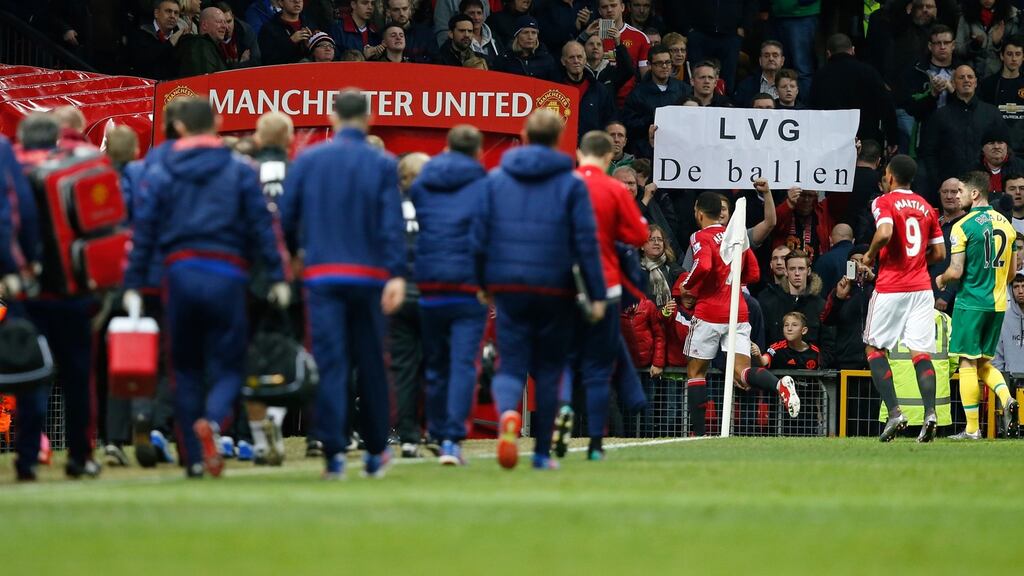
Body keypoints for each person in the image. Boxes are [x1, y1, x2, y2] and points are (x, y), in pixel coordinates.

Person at [122, 98, 289, 478]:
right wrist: (276, 276)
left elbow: (144, 230)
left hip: (178, 275)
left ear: (179, 128)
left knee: (184, 369)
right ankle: (213, 423)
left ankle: (194, 458)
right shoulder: (241, 170)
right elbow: (263, 228)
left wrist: (133, 282)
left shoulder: (162, 171)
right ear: (217, 123)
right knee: (230, 365)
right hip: (227, 274)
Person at [278, 91, 405, 479]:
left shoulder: (309, 159)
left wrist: (297, 252)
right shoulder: (383, 163)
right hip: (368, 276)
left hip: (322, 276)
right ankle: (376, 451)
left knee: (330, 364)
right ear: (367, 119)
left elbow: (286, 214)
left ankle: (333, 451)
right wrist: (396, 272)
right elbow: (391, 222)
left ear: (333, 117)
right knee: (371, 363)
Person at [475, 109, 606, 471]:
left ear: (524, 135)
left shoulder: (497, 180)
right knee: (550, 369)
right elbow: (586, 242)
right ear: (558, 140)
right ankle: (542, 454)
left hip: (508, 285)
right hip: (555, 287)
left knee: (510, 362)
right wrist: (595, 294)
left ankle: (506, 417)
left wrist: (483, 283)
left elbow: (479, 235)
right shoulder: (571, 184)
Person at [681, 192, 801, 431]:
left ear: (699, 212)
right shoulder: (735, 237)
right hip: (738, 312)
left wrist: (688, 286)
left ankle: (698, 434)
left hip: (709, 313)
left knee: (696, 372)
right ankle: (779, 386)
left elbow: (703, 265)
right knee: (742, 372)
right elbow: (754, 274)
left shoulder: (700, 236)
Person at [407, 127, 487, 466]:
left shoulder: (423, 183)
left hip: (429, 282)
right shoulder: (485, 185)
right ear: (478, 151)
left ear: (447, 147)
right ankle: (452, 439)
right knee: (463, 364)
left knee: (435, 363)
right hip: (467, 285)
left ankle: (436, 430)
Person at [568, 130, 649, 460]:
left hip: (565, 287)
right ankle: (596, 445)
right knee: (600, 366)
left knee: (562, 363)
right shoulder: (614, 189)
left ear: (579, 154)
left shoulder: (564, 184)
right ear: (606, 158)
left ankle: (561, 419)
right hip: (607, 285)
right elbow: (640, 233)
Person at [861, 154, 946, 442]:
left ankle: (896, 412)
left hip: (891, 287)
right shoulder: (926, 206)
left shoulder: (883, 201)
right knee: (920, 352)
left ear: (890, 177)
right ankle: (931, 414)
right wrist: (916, 263)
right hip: (922, 288)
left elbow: (884, 233)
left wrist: (869, 257)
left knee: (874, 348)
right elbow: (940, 254)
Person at [936, 170, 1020, 439]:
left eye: (960, 192)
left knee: (966, 363)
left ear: (974, 194)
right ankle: (1007, 397)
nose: (956, 196)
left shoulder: (963, 226)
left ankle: (972, 429)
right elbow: (1012, 273)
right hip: (998, 305)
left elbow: (956, 271)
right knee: (983, 361)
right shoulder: (1007, 226)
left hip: (970, 303)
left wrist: (940, 278)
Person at [918, 64, 1008, 200]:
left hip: (986, 189)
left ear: (976, 82)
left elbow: (1005, 147)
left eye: (970, 77)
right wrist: (939, 182)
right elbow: (929, 152)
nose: (966, 80)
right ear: (953, 83)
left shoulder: (992, 113)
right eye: (961, 77)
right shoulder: (940, 115)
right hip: (951, 190)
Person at [809, 33, 899, 151]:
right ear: (852, 50)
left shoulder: (820, 77)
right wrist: (892, 138)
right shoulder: (868, 72)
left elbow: (812, 110)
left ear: (828, 54)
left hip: (831, 142)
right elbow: (886, 105)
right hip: (865, 140)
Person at [621, 46, 691, 156]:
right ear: (649, 65)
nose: (664, 66)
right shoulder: (638, 93)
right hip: (648, 152)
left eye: (668, 62)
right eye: (659, 63)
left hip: (680, 150)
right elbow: (629, 124)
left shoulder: (684, 89)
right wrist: (652, 119)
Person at [680, 0, 749, 93]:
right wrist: (686, 27)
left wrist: (744, 26)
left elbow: (751, 3)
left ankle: (726, 103)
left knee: (728, 78)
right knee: (697, 74)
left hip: (731, 34)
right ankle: (694, 102)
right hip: (698, 33)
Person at [560, 41, 616, 140]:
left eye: (579, 57)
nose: (576, 61)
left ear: (585, 60)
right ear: (563, 61)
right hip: (563, 146)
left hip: (593, 149)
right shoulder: (555, 90)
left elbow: (609, 121)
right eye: (571, 57)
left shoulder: (600, 90)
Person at [955, 0, 1021, 79]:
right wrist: (973, 45)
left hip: (1001, 76)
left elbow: (1016, 51)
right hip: (972, 77)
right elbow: (957, 50)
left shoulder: (1011, 15)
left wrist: (997, 44)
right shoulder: (966, 15)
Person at [768, 0, 821, 95]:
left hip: (802, 14)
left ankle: (805, 106)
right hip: (777, 14)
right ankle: (779, 105)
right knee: (777, 66)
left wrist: (801, 2)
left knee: (802, 68)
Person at [127, 0, 186, 79]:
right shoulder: (140, 33)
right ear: (156, 13)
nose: (172, 16)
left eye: (176, 13)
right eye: (168, 11)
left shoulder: (182, 38)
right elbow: (143, 60)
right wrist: (170, 43)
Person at [494, 16, 557, 80]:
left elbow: (555, 86)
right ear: (517, 36)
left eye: (534, 33)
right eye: (525, 32)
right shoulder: (505, 59)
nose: (530, 37)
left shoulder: (547, 59)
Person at [175, 6, 229, 76]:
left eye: (225, 22)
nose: (224, 26)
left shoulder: (210, 47)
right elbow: (203, 81)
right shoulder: (199, 46)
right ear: (204, 25)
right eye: (219, 22)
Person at [258, 0, 313, 65]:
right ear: (281, 3)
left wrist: (310, 46)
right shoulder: (269, 28)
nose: (297, 1)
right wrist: (290, 42)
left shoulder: (310, 24)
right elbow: (267, 60)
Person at [734, 41, 786, 108]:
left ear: (782, 61)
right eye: (766, 56)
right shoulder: (746, 85)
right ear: (760, 61)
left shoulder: (792, 85)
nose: (771, 58)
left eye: (775, 56)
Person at [993, 273, 1024, 376]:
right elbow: (997, 355)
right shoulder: (1003, 319)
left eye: (1023, 286)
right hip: (1010, 383)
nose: (1020, 291)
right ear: (1010, 290)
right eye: (1016, 287)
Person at [216, 2, 261, 67]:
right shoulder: (211, 37)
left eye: (229, 21)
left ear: (233, 17)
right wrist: (241, 64)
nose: (227, 27)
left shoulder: (245, 31)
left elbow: (256, 62)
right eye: (221, 22)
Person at [814, 224, 855, 292]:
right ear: (853, 240)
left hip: (832, 301)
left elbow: (817, 291)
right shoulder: (863, 257)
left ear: (830, 240)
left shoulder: (824, 260)